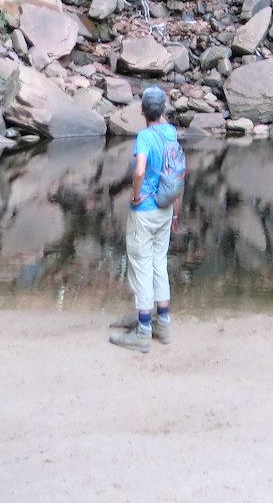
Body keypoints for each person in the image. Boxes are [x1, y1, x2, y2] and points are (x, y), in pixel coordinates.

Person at [109, 85, 185, 354]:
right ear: (163, 110)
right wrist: (177, 211)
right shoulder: (170, 133)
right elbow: (177, 174)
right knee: (158, 264)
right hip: (165, 209)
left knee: (141, 268)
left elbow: (139, 170)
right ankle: (163, 324)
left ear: (143, 111)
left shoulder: (144, 137)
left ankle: (143, 332)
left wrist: (136, 195)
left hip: (145, 212)